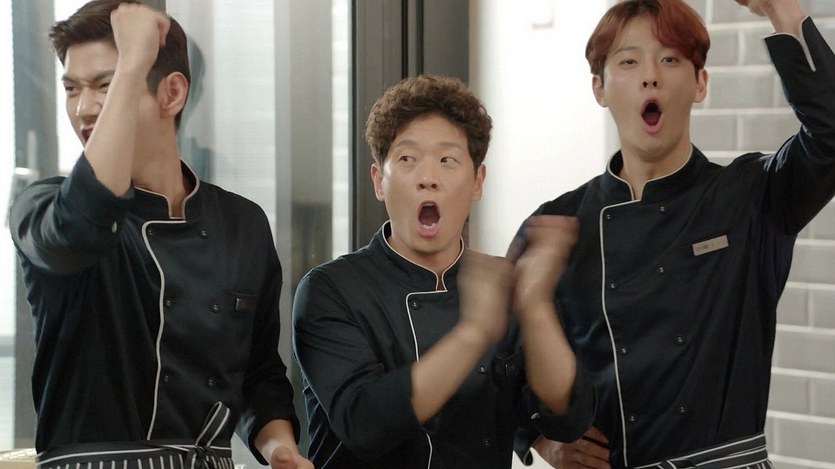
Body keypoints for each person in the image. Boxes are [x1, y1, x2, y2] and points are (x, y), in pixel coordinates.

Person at [511, 0, 835, 467]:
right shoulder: (557, 225)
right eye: (629, 62)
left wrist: (780, 9)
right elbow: (498, 356)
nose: (650, 76)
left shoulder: (752, 197)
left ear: (700, 83)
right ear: (599, 88)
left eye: (670, 59)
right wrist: (537, 437)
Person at [8, 1, 311, 468]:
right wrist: (133, 65)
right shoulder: (44, 208)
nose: (83, 108)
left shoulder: (242, 223)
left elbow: (258, 373)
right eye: (71, 89)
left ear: (171, 94)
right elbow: (82, 225)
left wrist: (280, 449)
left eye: (106, 85)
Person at [292, 74, 597, 468]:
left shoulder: (506, 285)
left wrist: (536, 309)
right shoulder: (331, 290)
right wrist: (472, 333)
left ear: (477, 182)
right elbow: (364, 423)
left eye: (447, 160)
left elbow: (568, 420)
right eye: (407, 159)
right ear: (379, 182)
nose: (428, 178)